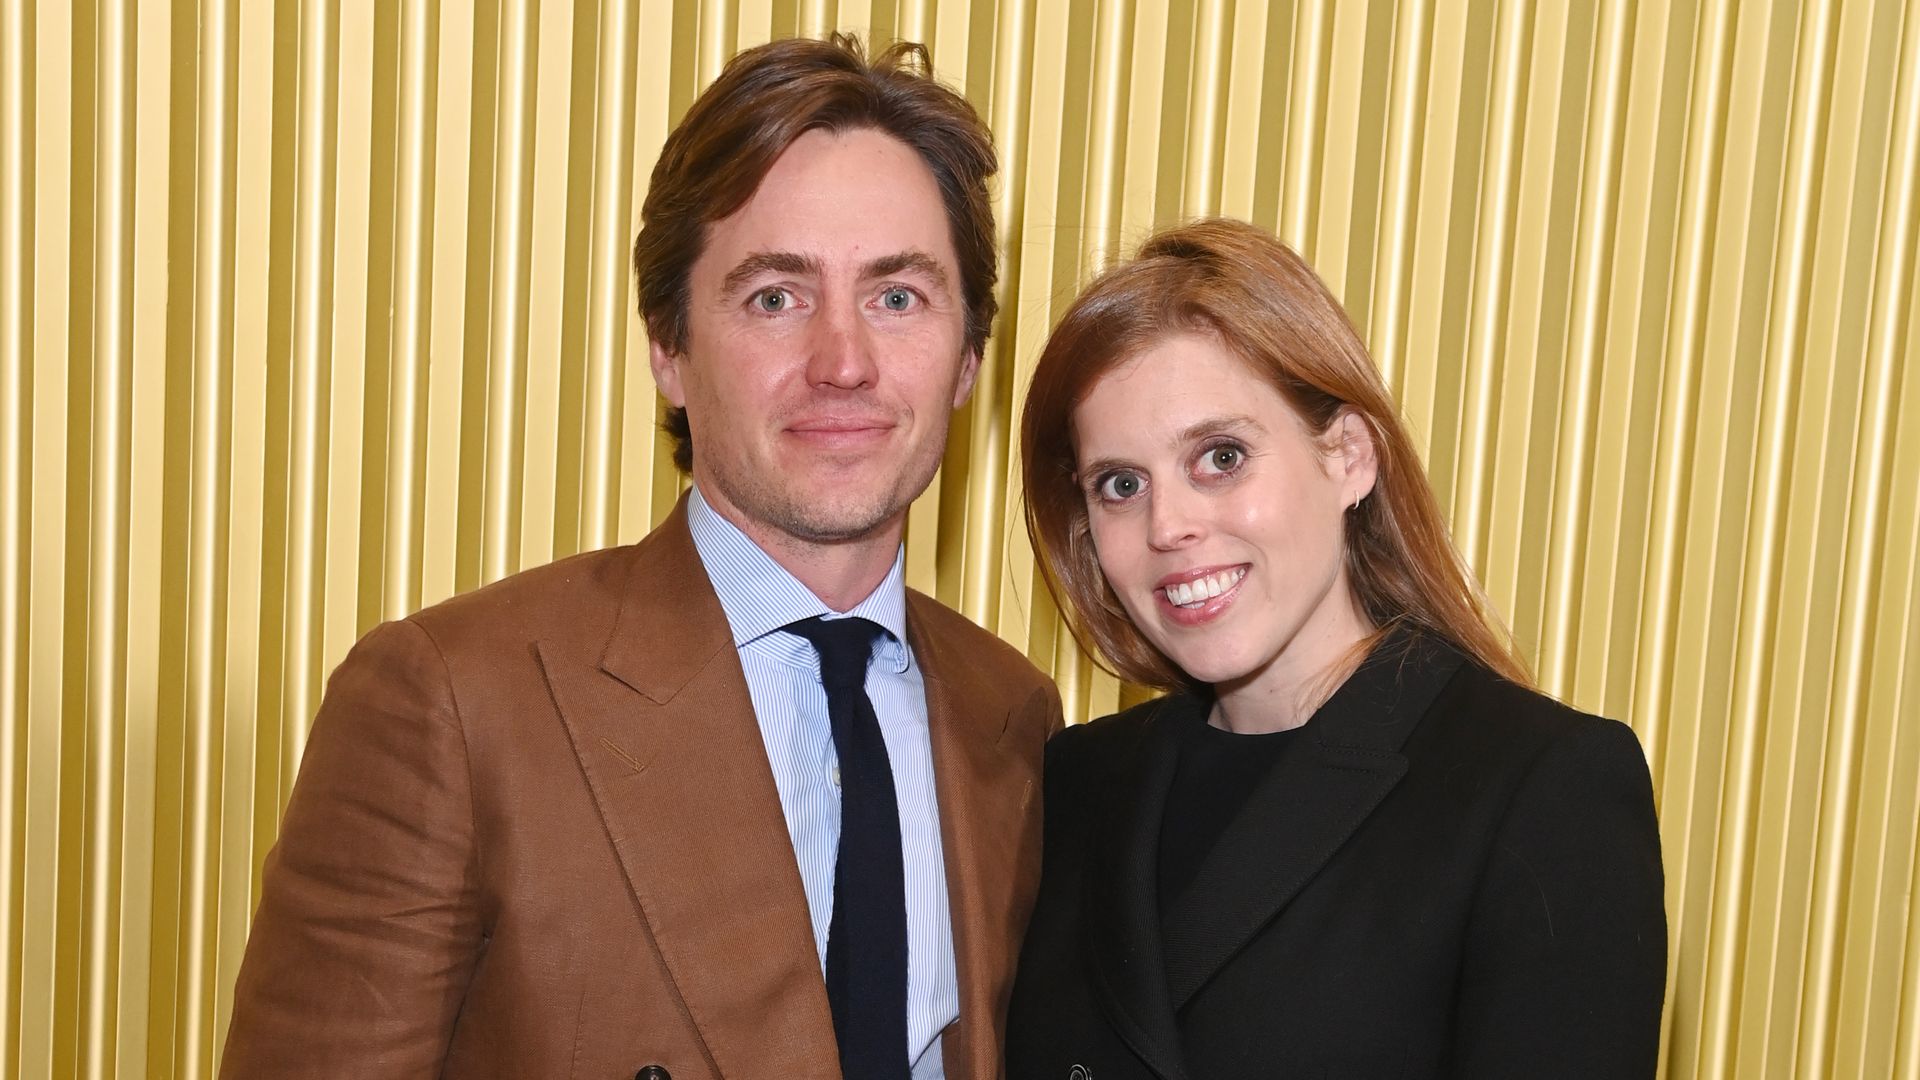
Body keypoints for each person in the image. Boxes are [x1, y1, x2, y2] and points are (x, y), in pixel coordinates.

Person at [222, 35, 1061, 1080]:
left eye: (898, 297)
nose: (843, 362)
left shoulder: (1012, 716)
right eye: (776, 297)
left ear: (969, 356)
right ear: (667, 347)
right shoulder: (453, 702)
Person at [1005, 218, 1666, 1078]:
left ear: (1348, 456)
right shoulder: (1074, 781)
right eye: (1121, 485)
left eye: (1222, 456)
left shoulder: (1543, 789)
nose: (1168, 526)